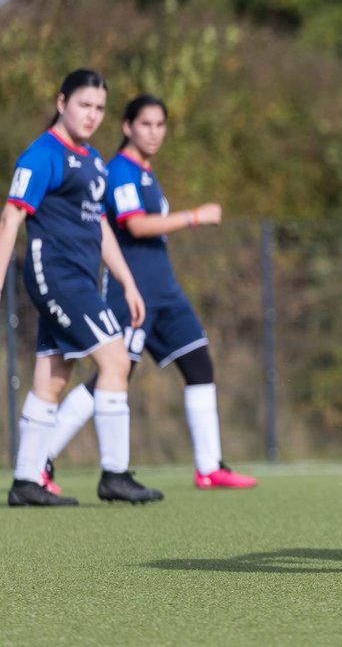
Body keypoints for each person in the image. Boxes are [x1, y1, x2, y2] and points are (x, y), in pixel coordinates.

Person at [42, 95, 256, 492]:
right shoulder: (120, 171)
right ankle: (40, 457)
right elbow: (136, 226)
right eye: (146, 124)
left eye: (160, 125)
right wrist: (195, 216)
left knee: (199, 366)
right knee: (112, 375)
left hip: (166, 293)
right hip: (133, 295)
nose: (154, 133)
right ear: (127, 127)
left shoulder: (145, 172)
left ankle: (209, 467)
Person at [0, 69, 164, 506]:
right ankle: (115, 474)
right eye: (83, 105)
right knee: (116, 362)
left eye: (99, 108)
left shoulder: (93, 160)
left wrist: (128, 282)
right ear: (61, 102)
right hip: (57, 275)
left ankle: (25, 482)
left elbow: (100, 227)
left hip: (81, 277)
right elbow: (11, 217)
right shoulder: (41, 155)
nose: (91, 115)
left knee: (53, 380)